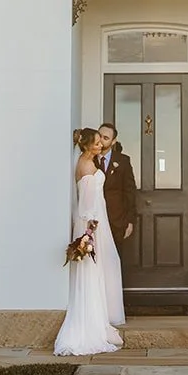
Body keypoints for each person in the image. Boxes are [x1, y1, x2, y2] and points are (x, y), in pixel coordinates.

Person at [54, 128, 124, 355]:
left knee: (106, 266)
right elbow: (85, 205)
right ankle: (90, 324)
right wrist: (89, 232)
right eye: (95, 143)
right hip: (91, 224)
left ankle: (102, 316)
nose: (99, 146)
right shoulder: (84, 167)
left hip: (97, 221)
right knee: (93, 270)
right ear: (85, 146)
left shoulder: (90, 162)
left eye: (100, 143)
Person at [96, 123, 138, 254]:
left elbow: (130, 191)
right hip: (95, 218)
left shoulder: (123, 161)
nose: (101, 140)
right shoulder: (89, 159)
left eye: (106, 138)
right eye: (99, 136)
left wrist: (130, 220)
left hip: (117, 221)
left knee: (116, 260)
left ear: (113, 141)